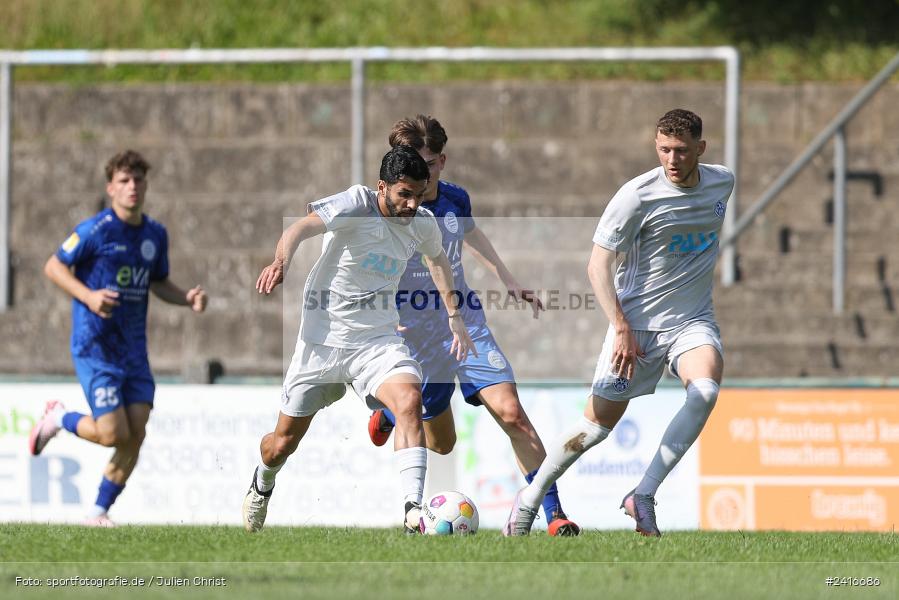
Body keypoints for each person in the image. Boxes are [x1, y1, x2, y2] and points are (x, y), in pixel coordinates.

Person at [504, 109, 734, 537]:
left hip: (692, 321)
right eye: (664, 149)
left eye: (682, 150)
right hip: (637, 326)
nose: (672, 159)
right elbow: (597, 265)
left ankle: (642, 495)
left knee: (704, 392)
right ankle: (529, 500)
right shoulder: (637, 196)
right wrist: (621, 327)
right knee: (594, 429)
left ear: (700, 149)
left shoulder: (723, 181)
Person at [242, 145, 475, 534]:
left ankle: (412, 511)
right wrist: (281, 260)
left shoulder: (422, 221)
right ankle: (261, 484)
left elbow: (438, 261)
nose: (412, 203)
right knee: (281, 444)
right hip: (322, 343)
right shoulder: (355, 203)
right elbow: (301, 227)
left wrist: (455, 316)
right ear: (382, 187)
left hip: (377, 340)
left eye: (418, 194)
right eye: (404, 194)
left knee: (409, 399)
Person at [366, 115, 580, 536]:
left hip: (465, 322)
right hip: (412, 332)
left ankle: (553, 515)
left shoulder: (455, 201)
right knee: (443, 443)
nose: (416, 172)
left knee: (512, 413)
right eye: (406, 161)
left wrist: (509, 279)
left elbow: (471, 236)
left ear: (441, 162)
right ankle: (392, 412)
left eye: (425, 163)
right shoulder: (387, 208)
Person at [29, 150, 208, 527]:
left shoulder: (155, 234)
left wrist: (186, 298)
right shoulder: (95, 230)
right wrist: (89, 296)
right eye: (124, 180)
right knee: (113, 434)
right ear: (111, 187)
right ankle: (59, 417)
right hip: (96, 347)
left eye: (138, 179)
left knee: (135, 433)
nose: (133, 187)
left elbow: (157, 282)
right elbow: (53, 266)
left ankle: (98, 512)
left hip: (133, 351)